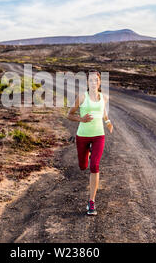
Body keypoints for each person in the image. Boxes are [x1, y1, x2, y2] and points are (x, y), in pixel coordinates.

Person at [67, 70, 113, 215]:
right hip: (83, 135)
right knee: (83, 166)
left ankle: (91, 202)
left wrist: (108, 122)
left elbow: (103, 113)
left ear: (100, 82)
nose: (94, 82)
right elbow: (69, 114)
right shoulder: (82, 97)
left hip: (99, 135)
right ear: (87, 82)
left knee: (94, 166)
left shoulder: (104, 97)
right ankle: (87, 154)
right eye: (91, 80)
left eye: (96, 80)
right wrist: (81, 119)